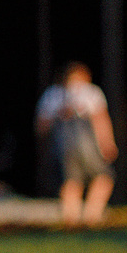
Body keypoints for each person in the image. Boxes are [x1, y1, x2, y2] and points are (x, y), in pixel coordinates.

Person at [35, 62, 117, 226]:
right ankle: (92, 217)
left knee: (71, 181)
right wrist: (107, 143)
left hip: (63, 144)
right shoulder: (90, 91)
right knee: (104, 177)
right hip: (87, 142)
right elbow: (100, 119)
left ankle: (70, 221)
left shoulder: (52, 94)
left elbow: (41, 126)